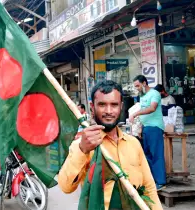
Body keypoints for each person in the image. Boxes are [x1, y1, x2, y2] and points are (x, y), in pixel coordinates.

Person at [58, 80, 162, 210]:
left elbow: (149, 187)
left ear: (121, 106)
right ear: (92, 106)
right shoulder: (83, 145)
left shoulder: (133, 143)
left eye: (114, 105)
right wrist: (82, 150)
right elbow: (66, 187)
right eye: (102, 104)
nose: (108, 111)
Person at [129, 75, 166, 191]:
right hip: (146, 128)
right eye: (135, 86)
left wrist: (135, 114)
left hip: (155, 127)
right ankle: (152, 180)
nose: (137, 88)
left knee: (156, 154)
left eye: (138, 86)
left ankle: (160, 181)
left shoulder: (154, 94)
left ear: (144, 83)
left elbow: (152, 108)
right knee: (147, 155)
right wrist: (140, 128)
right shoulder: (143, 96)